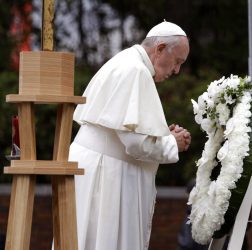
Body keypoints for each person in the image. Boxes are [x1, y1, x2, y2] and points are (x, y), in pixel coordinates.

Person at [69, 21, 191, 250]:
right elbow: (136, 144)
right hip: (107, 176)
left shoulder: (124, 61)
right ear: (160, 48)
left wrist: (163, 135)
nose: (177, 70)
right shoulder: (135, 71)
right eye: (177, 62)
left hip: (97, 168)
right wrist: (172, 143)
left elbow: (126, 129)